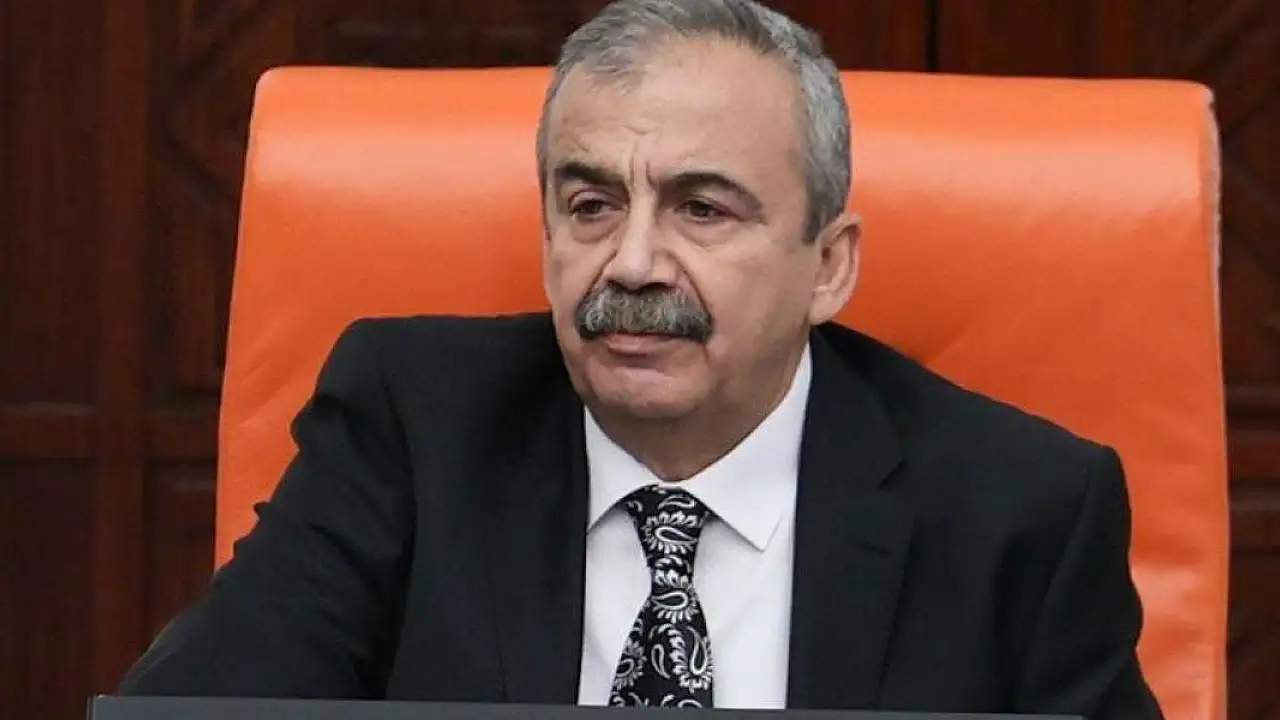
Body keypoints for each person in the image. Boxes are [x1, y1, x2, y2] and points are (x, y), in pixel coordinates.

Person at [119, 0, 1164, 717]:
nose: (629, 263)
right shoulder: (412, 427)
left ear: (828, 266)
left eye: (702, 210)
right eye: (590, 205)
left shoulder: (1020, 510)